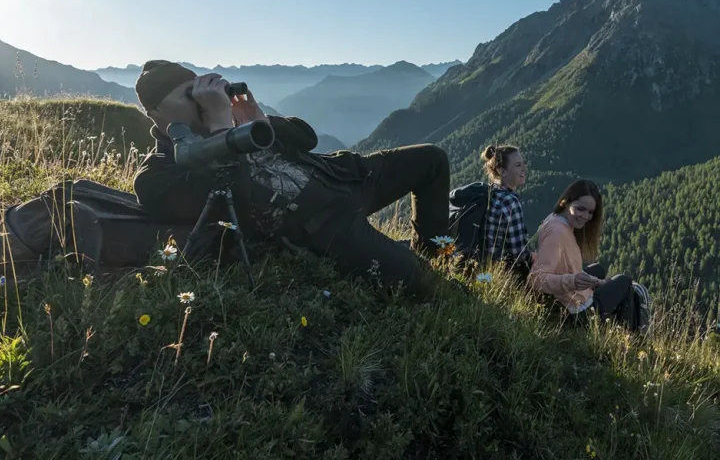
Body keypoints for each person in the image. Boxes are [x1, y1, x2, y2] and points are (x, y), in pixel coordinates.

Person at [132, 60, 450, 297]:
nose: (205, 101)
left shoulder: (236, 121)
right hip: (322, 227)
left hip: (344, 177)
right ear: (158, 113)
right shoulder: (158, 175)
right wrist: (221, 130)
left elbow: (306, 138)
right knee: (415, 275)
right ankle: (426, 269)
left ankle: (431, 252)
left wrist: (259, 119)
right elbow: (233, 197)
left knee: (431, 159)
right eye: (192, 95)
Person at [528, 179, 634, 326]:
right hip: (578, 313)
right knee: (625, 282)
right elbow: (536, 279)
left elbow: (556, 261)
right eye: (580, 209)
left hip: (566, 302)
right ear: (565, 202)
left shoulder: (555, 220)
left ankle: (612, 329)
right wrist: (572, 281)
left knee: (598, 270)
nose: (586, 216)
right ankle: (631, 336)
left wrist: (591, 281)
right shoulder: (558, 233)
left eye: (590, 212)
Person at [480, 144, 531, 268]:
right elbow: (519, 255)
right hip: (503, 272)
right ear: (502, 171)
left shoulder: (491, 193)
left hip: (484, 266)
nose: (524, 169)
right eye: (518, 165)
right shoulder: (510, 202)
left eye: (523, 164)